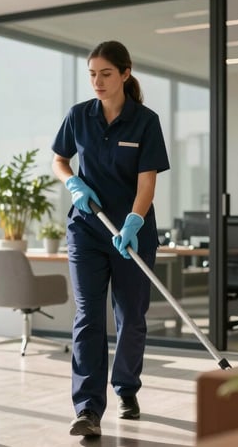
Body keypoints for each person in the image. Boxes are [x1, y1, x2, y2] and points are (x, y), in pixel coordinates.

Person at [51, 40, 170, 438]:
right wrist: (74, 186)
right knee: (88, 315)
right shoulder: (78, 116)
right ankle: (87, 408)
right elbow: (59, 160)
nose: (98, 82)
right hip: (87, 229)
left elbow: (147, 180)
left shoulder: (145, 121)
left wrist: (135, 221)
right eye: (92, 75)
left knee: (131, 316)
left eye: (105, 73)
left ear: (125, 73)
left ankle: (127, 388)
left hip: (131, 233)